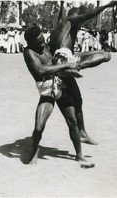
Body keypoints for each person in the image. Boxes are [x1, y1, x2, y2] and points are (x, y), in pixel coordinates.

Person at [48, 0, 117, 144]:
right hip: (63, 63)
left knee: (78, 99)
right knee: (106, 56)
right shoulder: (70, 20)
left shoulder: (62, 28)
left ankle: (82, 132)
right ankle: (74, 68)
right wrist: (107, 6)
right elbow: (88, 15)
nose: (81, 23)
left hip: (61, 61)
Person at [23, 26, 91, 165]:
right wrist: (65, 66)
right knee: (38, 127)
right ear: (31, 43)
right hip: (47, 89)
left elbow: (57, 54)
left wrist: (66, 58)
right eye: (39, 42)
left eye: (43, 40)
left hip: (59, 83)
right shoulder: (29, 52)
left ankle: (79, 154)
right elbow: (41, 70)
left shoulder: (45, 46)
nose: (43, 43)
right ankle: (34, 152)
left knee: (72, 121)